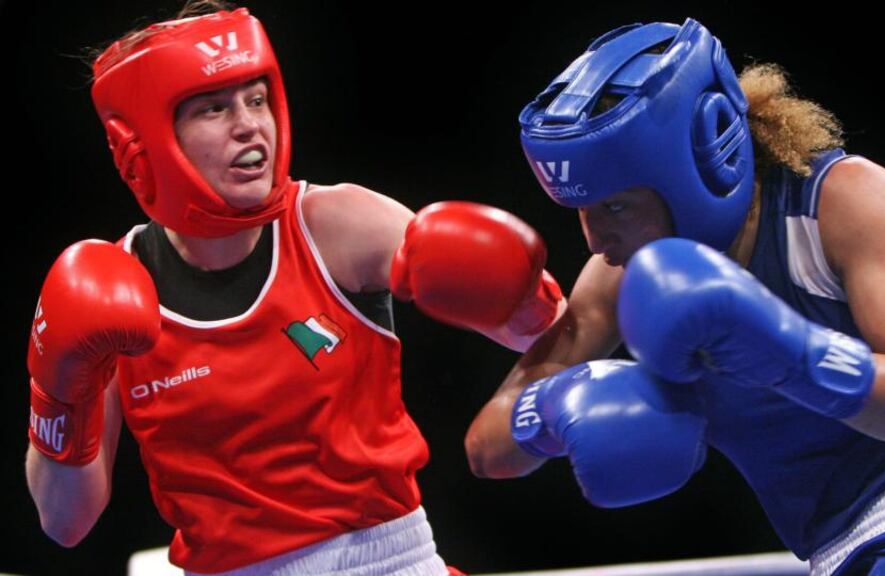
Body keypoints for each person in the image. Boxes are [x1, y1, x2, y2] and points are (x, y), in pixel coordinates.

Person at [465, 19, 885, 574]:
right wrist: (552, 406)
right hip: (838, 555)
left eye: (614, 207)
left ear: (697, 166)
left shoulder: (843, 204)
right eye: (582, 211)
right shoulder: (619, 274)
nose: (592, 237)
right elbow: (484, 448)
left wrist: (784, 352)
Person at [25, 4, 564, 575]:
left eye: (256, 99)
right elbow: (65, 522)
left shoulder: (337, 227)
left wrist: (522, 294)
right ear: (142, 143)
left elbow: (546, 331)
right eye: (214, 108)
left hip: (388, 562)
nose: (249, 124)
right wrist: (61, 393)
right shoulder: (111, 287)